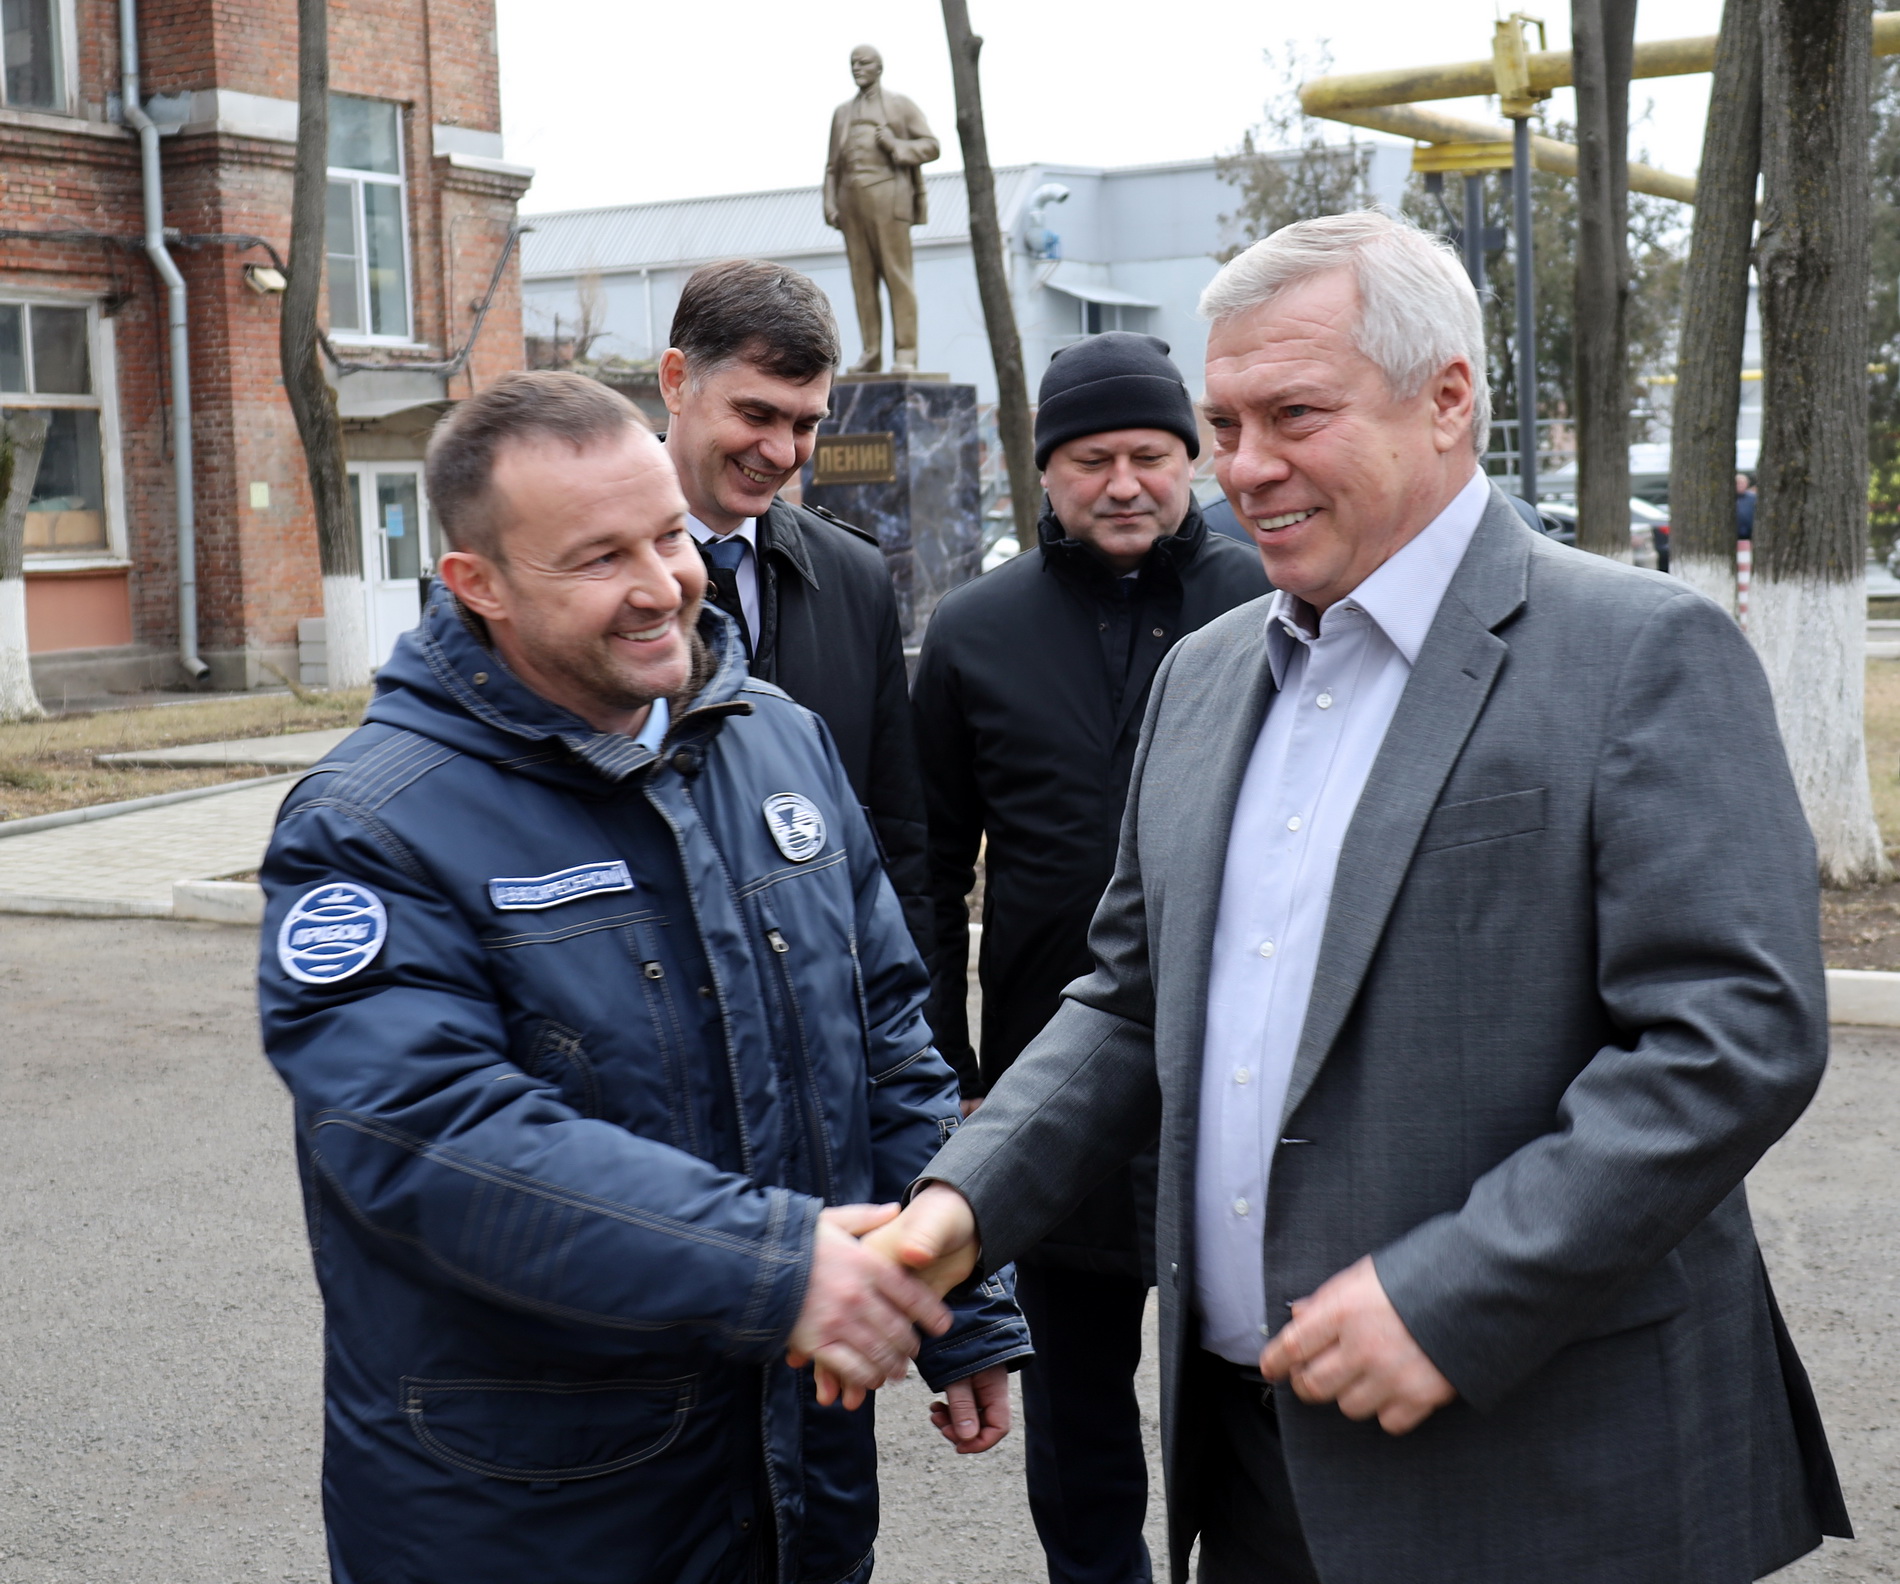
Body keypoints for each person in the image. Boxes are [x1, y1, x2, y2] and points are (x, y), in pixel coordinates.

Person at [876, 213, 1850, 1582]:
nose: (1245, 468)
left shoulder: (1640, 653)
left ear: (1447, 397)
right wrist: (957, 1211)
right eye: (1223, 421)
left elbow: (1731, 1037)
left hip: (1545, 1466)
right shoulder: (1206, 678)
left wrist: (1456, 1291)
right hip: (1258, 1463)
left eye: (1294, 415)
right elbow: (1130, 999)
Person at [257, 371, 1028, 1584]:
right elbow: (428, 1139)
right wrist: (778, 1267)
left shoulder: (776, 736)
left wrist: (960, 1298)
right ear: (481, 587)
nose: (664, 582)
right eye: (598, 557)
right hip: (531, 1505)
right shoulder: (370, 827)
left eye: (669, 532)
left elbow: (883, 1029)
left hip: (793, 1477)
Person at [912, 332, 1267, 1584]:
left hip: (1239, 1080)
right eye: (1091, 459)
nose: (1125, 483)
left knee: (1248, 1380)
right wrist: (950, 1066)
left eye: (1152, 456)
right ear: (1045, 475)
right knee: (1072, 1410)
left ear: (1194, 461)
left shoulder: (1271, 602)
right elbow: (931, 861)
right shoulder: (972, 631)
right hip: (1046, 1080)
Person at [657, 257, 933, 962]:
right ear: (676, 381)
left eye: (806, 423)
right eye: (755, 413)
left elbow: (896, 840)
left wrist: (928, 1059)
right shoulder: (582, 575)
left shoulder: (855, 577)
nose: (781, 451)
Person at [823, 44, 939, 374]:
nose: (857, 68)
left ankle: (905, 354)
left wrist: (896, 145)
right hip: (851, 203)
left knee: (897, 277)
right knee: (862, 281)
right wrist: (829, 202)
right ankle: (871, 353)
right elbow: (832, 165)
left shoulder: (900, 105)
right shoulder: (842, 113)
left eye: (864, 63)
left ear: (879, 67)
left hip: (889, 197)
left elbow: (931, 145)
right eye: (853, 63)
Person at [1738, 470, 1758, 541]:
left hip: (1751, 535)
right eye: (1738, 483)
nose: (1740, 485)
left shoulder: (1754, 498)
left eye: (1742, 483)